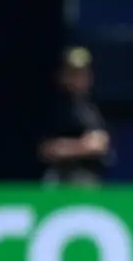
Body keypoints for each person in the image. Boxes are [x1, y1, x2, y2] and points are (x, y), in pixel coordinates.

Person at [39, 47, 111, 187]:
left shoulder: (90, 108)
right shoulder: (54, 108)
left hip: (87, 178)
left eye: (84, 73)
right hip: (60, 179)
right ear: (62, 76)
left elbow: (100, 144)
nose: (80, 78)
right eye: (74, 73)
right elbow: (46, 150)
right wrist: (84, 146)